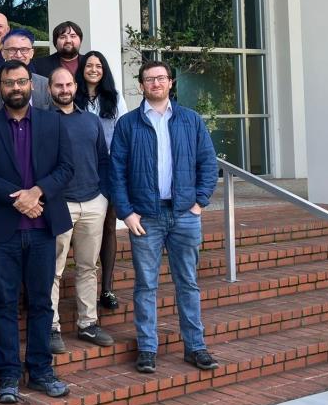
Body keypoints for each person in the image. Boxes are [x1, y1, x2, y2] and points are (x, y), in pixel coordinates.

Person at [0, 60, 74, 403]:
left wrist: (37, 192)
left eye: (21, 82)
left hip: (44, 227)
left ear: (32, 85)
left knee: (42, 302)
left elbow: (66, 168)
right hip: (4, 231)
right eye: (9, 82)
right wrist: (18, 199)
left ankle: (41, 370)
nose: (16, 87)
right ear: (0, 88)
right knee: (5, 304)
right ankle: (9, 374)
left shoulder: (52, 123)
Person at [109, 60, 219, 374]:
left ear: (170, 82)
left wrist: (199, 203)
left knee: (188, 283)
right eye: (149, 79)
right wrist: (126, 213)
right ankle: (147, 349)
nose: (155, 83)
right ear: (141, 85)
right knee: (145, 286)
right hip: (145, 217)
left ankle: (195, 347)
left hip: (185, 213)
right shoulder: (128, 124)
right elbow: (115, 172)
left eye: (161, 78)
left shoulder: (190, 120)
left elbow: (208, 165)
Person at [47, 68, 114, 353]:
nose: (64, 89)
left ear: (76, 86)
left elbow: (102, 158)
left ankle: (88, 324)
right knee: (54, 269)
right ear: (50, 89)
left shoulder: (91, 121)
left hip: (93, 201)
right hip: (60, 203)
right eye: (58, 85)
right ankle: (51, 327)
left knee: (88, 266)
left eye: (68, 84)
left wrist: (104, 195)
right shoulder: (42, 121)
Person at [74, 50, 130, 312]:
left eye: (99, 65)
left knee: (108, 227)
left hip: (107, 170)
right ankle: (80, 283)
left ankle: (106, 288)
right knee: (78, 228)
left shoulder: (115, 99)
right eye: (89, 65)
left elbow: (123, 134)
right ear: (82, 68)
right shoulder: (72, 96)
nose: (94, 69)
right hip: (78, 169)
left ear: (104, 70)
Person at [0, 28, 51, 111]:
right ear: (3, 53)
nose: (19, 55)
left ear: (31, 53)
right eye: (12, 50)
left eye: (24, 50)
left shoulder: (45, 84)